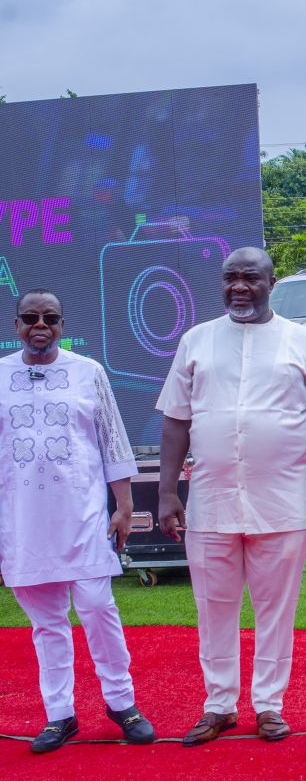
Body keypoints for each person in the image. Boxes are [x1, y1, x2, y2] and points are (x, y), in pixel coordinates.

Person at [156, 247, 306, 746]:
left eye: (250, 278)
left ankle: (269, 706)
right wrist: (167, 492)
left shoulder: (303, 342)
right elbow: (176, 420)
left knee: (276, 611)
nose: (239, 286)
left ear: (271, 283)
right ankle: (219, 705)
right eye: (230, 278)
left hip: (281, 503)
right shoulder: (196, 341)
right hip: (210, 503)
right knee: (213, 609)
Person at [0, 290, 156, 753]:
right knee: (47, 623)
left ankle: (122, 703)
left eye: (50, 317)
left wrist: (123, 506)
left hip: (84, 516)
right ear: (16, 325)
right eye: (31, 317)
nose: (40, 325)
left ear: (62, 325)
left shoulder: (89, 372)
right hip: (22, 520)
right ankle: (59, 715)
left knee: (97, 607)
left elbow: (112, 440)